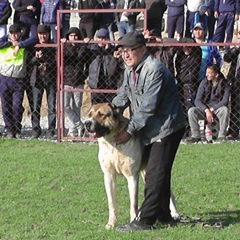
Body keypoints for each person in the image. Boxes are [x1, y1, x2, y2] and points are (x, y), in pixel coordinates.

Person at [111, 31, 186, 231]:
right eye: (123, 51)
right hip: (150, 128)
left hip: (167, 128)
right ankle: (164, 215)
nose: (126, 55)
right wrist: (107, 112)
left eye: (130, 50)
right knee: (158, 172)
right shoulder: (130, 69)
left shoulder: (154, 69)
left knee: (154, 174)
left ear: (143, 49)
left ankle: (144, 220)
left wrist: (129, 131)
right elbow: (123, 95)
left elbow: (147, 107)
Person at [0, 23, 36, 139]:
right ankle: (9, 129)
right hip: (4, 78)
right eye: (12, 34)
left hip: (18, 80)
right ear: (9, 34)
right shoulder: (4, 42)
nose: (14, 36)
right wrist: (10, 43)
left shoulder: (24, 43)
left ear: (21, 32)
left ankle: (17, 128)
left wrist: (19, 45)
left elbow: (34, 38)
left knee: (16, 106)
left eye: (16, 33)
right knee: (6, 106)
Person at [187, 64, 230, 143]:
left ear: (216, 74)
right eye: (206, 72)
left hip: (217, 109)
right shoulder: (204, 82)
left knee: (225, 110)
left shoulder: (224, 83)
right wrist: (206, 110)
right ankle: (195, 136)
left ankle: (221, 137)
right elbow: (197, 100)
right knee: (191, 111)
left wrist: (213, 109)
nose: (206, 74)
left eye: (209, 73)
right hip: (205, 109)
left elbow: (225, 101)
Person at [30, 24, 57, 139]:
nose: (43, 36)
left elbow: (57, 62)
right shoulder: (33, 46)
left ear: (48, 34)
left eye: (45, 33)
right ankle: (36, 130)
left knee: (51, 107)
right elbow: (29, 62)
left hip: (50, 80)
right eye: (41, 34)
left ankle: (51, 130)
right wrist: (36, 57)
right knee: (35, 107)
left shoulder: (53, 46)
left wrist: (47, 63)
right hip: (37, 81)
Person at [83, 28, 122, 103]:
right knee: (96, 107)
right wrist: (85, 44)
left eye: (104, 38)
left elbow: (111, 68)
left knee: (109, 107)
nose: (101, 40)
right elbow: (81, 56)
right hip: (95, 83)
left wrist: (108, 50)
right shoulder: (92, 49)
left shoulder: (113, 50)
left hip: (109, 84)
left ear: (108, 39)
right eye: (99, 38)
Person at [61, 27, 87, 137]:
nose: (74, 38)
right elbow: (60, 59)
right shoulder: (64, 47)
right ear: (68, 37)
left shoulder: (83, 48)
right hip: (66, 81)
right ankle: (79, 125)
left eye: (75, 36)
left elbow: (87, 62)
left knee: (77, 106)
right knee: (65, 105)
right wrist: (62, 45)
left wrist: (84, 76)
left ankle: (73, 130)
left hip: (79, 82)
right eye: (71, 36)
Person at [223, 40, 240, 140]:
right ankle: (233, 131)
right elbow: (226, 59)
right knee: (234, 106)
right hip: (235, 81)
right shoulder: (235, 49)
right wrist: (236, 49)